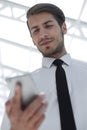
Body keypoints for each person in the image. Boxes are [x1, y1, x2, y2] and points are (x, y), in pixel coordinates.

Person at [1, 3, 87, 130]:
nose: (42, 35)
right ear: (32, 40)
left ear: (63, 27)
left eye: (48, 26)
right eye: (35, 30)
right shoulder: (24, 87)